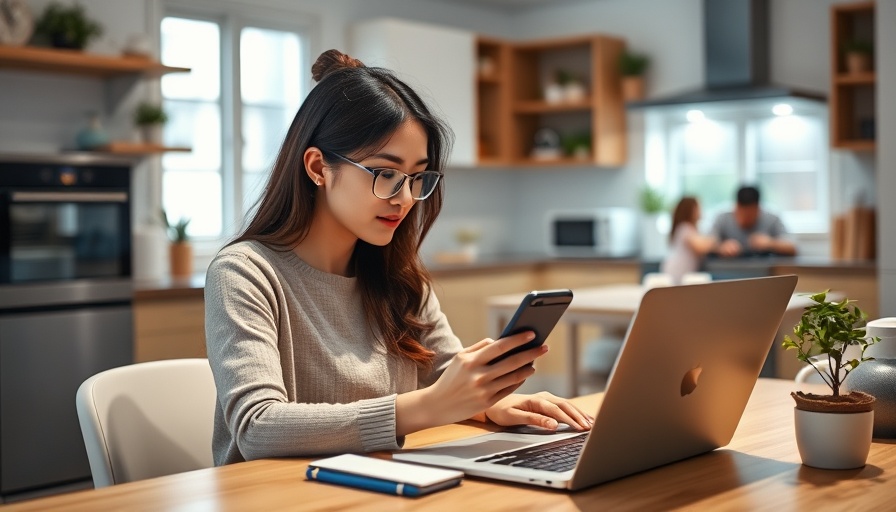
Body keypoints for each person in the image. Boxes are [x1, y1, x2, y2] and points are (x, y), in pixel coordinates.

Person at [204, 49, 593, 466]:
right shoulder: (244, 273)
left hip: (379, 488)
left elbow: (445, 377)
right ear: (318, 167)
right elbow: (258, 428)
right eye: (385, 174)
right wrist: (428, 407)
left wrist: (488, 401)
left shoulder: (399, 277)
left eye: (416, 177)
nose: (406, 199)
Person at [710, 185, 796, 257]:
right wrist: (721, 247)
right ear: (736, 207)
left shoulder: (772, 219)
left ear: (758, 208)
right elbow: (705, 245)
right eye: (742, 214)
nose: (745, 219)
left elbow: (792, 247)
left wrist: (770, 243)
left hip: (764, 271)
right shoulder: (722, 218)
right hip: (729, 271)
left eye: (750, 215)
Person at [660, 197, 716, 285]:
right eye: (698, 207)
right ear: (691, 210)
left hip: (681, 273)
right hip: (677, 272)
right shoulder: (685, 228)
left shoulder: (691, 229)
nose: (701, 210)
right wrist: (716, 239)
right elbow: (701, 247)